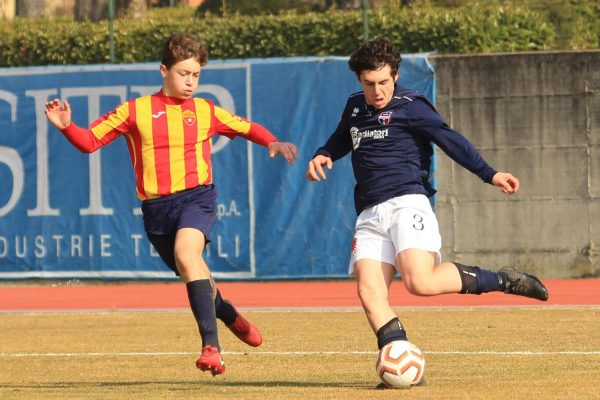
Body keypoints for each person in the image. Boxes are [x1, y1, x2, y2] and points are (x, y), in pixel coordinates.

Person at [45, 33, 298, 377]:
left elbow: (245, 127)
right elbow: (89, 142)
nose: (190, 81)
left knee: (186, 255)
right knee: (196, 275)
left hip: (197, 198)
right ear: (164, 70)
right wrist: (66, 127)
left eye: (196, 75)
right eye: (183, 74)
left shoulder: (206, 111)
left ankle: (212, 348)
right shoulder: (135, 111)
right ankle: (228, 314)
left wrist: (272, 141)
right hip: (156, 211)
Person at [305, 38, 548, 382]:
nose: (377, 91)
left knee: (419, 281)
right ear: (360, 80)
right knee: (368, 290)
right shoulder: (355, 106)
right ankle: (400, 362)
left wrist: (490, 174)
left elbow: (451, 141)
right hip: (369, 213)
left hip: (407, 201)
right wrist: (324, 153)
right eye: (369, 83)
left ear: (395, 74)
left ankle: (504, 279)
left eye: (384, 82)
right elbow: (344, 137)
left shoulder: (412, 105)